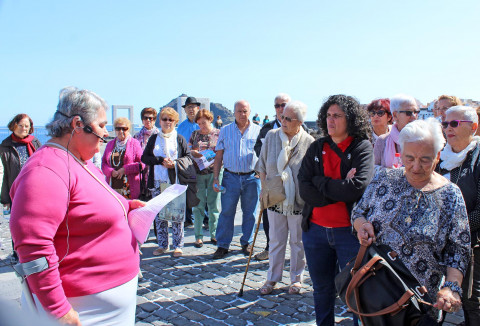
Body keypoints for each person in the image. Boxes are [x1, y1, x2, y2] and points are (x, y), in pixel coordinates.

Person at [9, 87, 144, 325]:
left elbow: (101, 198)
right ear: (78, 124)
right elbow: (33, 247)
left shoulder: (79, 160)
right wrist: (59, 310)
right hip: (84, 308)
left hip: (104, 305)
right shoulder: (45, 169)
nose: (106, 134)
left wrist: (129, 205)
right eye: (102, 125)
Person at [352, 118, 471, 324]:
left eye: (425, 159)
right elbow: (358, 212)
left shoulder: (451, 194)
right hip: (375, 291)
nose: (416, 166)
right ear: (401, 153)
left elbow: (458, 249)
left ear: (438, 156)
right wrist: (362, 226)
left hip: (422, 302)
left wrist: (452, 288)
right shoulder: (384, 179)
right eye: (409, 158)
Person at [298, 94, 374, 325]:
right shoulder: (317, 146)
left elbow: (357, 188)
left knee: (355, 292)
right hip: (316, 232)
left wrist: (320, 182)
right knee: (321, 289)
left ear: (350, 119)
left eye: (337, 116)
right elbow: (304, 187)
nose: (331, 120)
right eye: (329, 115)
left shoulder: (362, 147)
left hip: (349, 234)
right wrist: (339, 185)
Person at [256, 100, 314, 295]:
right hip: (275, 196)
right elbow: (262, 165)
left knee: (298, 242)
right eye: (282, 117)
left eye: (288, 118)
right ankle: (272, 278)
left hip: (298, 199)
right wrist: (264, 189)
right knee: (276, 240)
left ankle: (296, 279)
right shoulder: (271, 136)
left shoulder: (309, 141)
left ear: (299, 121)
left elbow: (312, 172)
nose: (283, 120)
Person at [437, 106, 480, 325]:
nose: (448, 128)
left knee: (473, 301)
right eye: (445, 123)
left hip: (473, 244)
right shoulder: (441, 156)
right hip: (440, 243)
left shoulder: (478, 158)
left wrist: (454, 230)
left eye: (455, 124)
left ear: (473, 127)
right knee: (436, 296)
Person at [212, 100, 261, 259]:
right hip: (230, 176)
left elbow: (264, 155)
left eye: (245, 111)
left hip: (252, 178)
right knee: (226, 211)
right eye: (239, 111)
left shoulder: (258, 131)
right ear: (234, 112)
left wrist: (261, 172)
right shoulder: (225, 131)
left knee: (250, 213)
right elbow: (218, 157)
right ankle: (222, 245)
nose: (242, 114)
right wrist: (215, 178)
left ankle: (246, 242)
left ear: (250, 112)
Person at [142, 107, 190, 257]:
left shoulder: (180, 138)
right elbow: (145, 158)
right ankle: (162, 245)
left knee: (177, 215)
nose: (167, 122)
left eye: (171, 120)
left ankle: (178, 245)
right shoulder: (154, 138)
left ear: (175, 122)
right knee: (159, 215)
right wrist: (159, 160)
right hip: (157, 181)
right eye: (164, 119)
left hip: (175, 181)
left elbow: (188, 158)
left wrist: (175, 163)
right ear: (160, 121)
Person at [253, 92, 291, 261]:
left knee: (295, 217)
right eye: (277, 105)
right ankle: (270, 248)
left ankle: (295, 252)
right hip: (272, 180)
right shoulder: (267, 128)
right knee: (270, 217)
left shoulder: (301, 126)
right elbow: (258, 149)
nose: (281, 108)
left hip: (292, 181)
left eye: (284, 105)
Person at [188, 109, 221, 248]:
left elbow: (222, 151)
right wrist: (194, 152)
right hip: (198, 173)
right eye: (199, 123)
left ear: (210, 120)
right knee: (198, 206)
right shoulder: (195, 134)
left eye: (204, 122)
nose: (202, 126)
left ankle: (214, 235)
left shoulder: (218, 134)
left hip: (215, 173)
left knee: (214, 205)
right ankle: (198, 236)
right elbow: (189, 149)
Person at [1, 114, 41, 215]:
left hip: (35, 190)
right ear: (14, 125)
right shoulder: (5, 146)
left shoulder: (35, 143)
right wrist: (5, 200)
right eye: (21, 125)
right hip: (15, 192)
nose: (24, 128)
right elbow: (3, 175)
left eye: (27, 126)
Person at [102, 117, 143, 199]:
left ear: (128, 129)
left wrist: (125, 169)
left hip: (129, 187)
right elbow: (104, 164)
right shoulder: (110, 144)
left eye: (124, 128)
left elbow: (142, 164)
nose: (121, 131)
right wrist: (110, 171)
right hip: (112, 185)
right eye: (118, 128)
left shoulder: (135, 143)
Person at [374, 94, 419, 168]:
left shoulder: (424, 140)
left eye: (416, 112)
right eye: (409, 112)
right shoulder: (383, 141)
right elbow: (373, 171)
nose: (414, 116)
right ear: (395, 115)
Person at [177, 96, 201, 227]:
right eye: (188, 107)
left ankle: (205, 218)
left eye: (193, 106)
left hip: (202, 162)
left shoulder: (203, 123)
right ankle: (188, 218)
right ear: (185, 110)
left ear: (198, 108)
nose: (191, 109)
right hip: (187, 162)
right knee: (186, 188)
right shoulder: (181, 127)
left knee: (202, 189)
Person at [134, 107, 160, 200]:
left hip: (155, 173)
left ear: (155, 120)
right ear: (142, 120)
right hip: (139, 174)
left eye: (151, 118)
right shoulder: (136, 136)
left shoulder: (159, 135)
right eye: (145, 118)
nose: (148, 120)